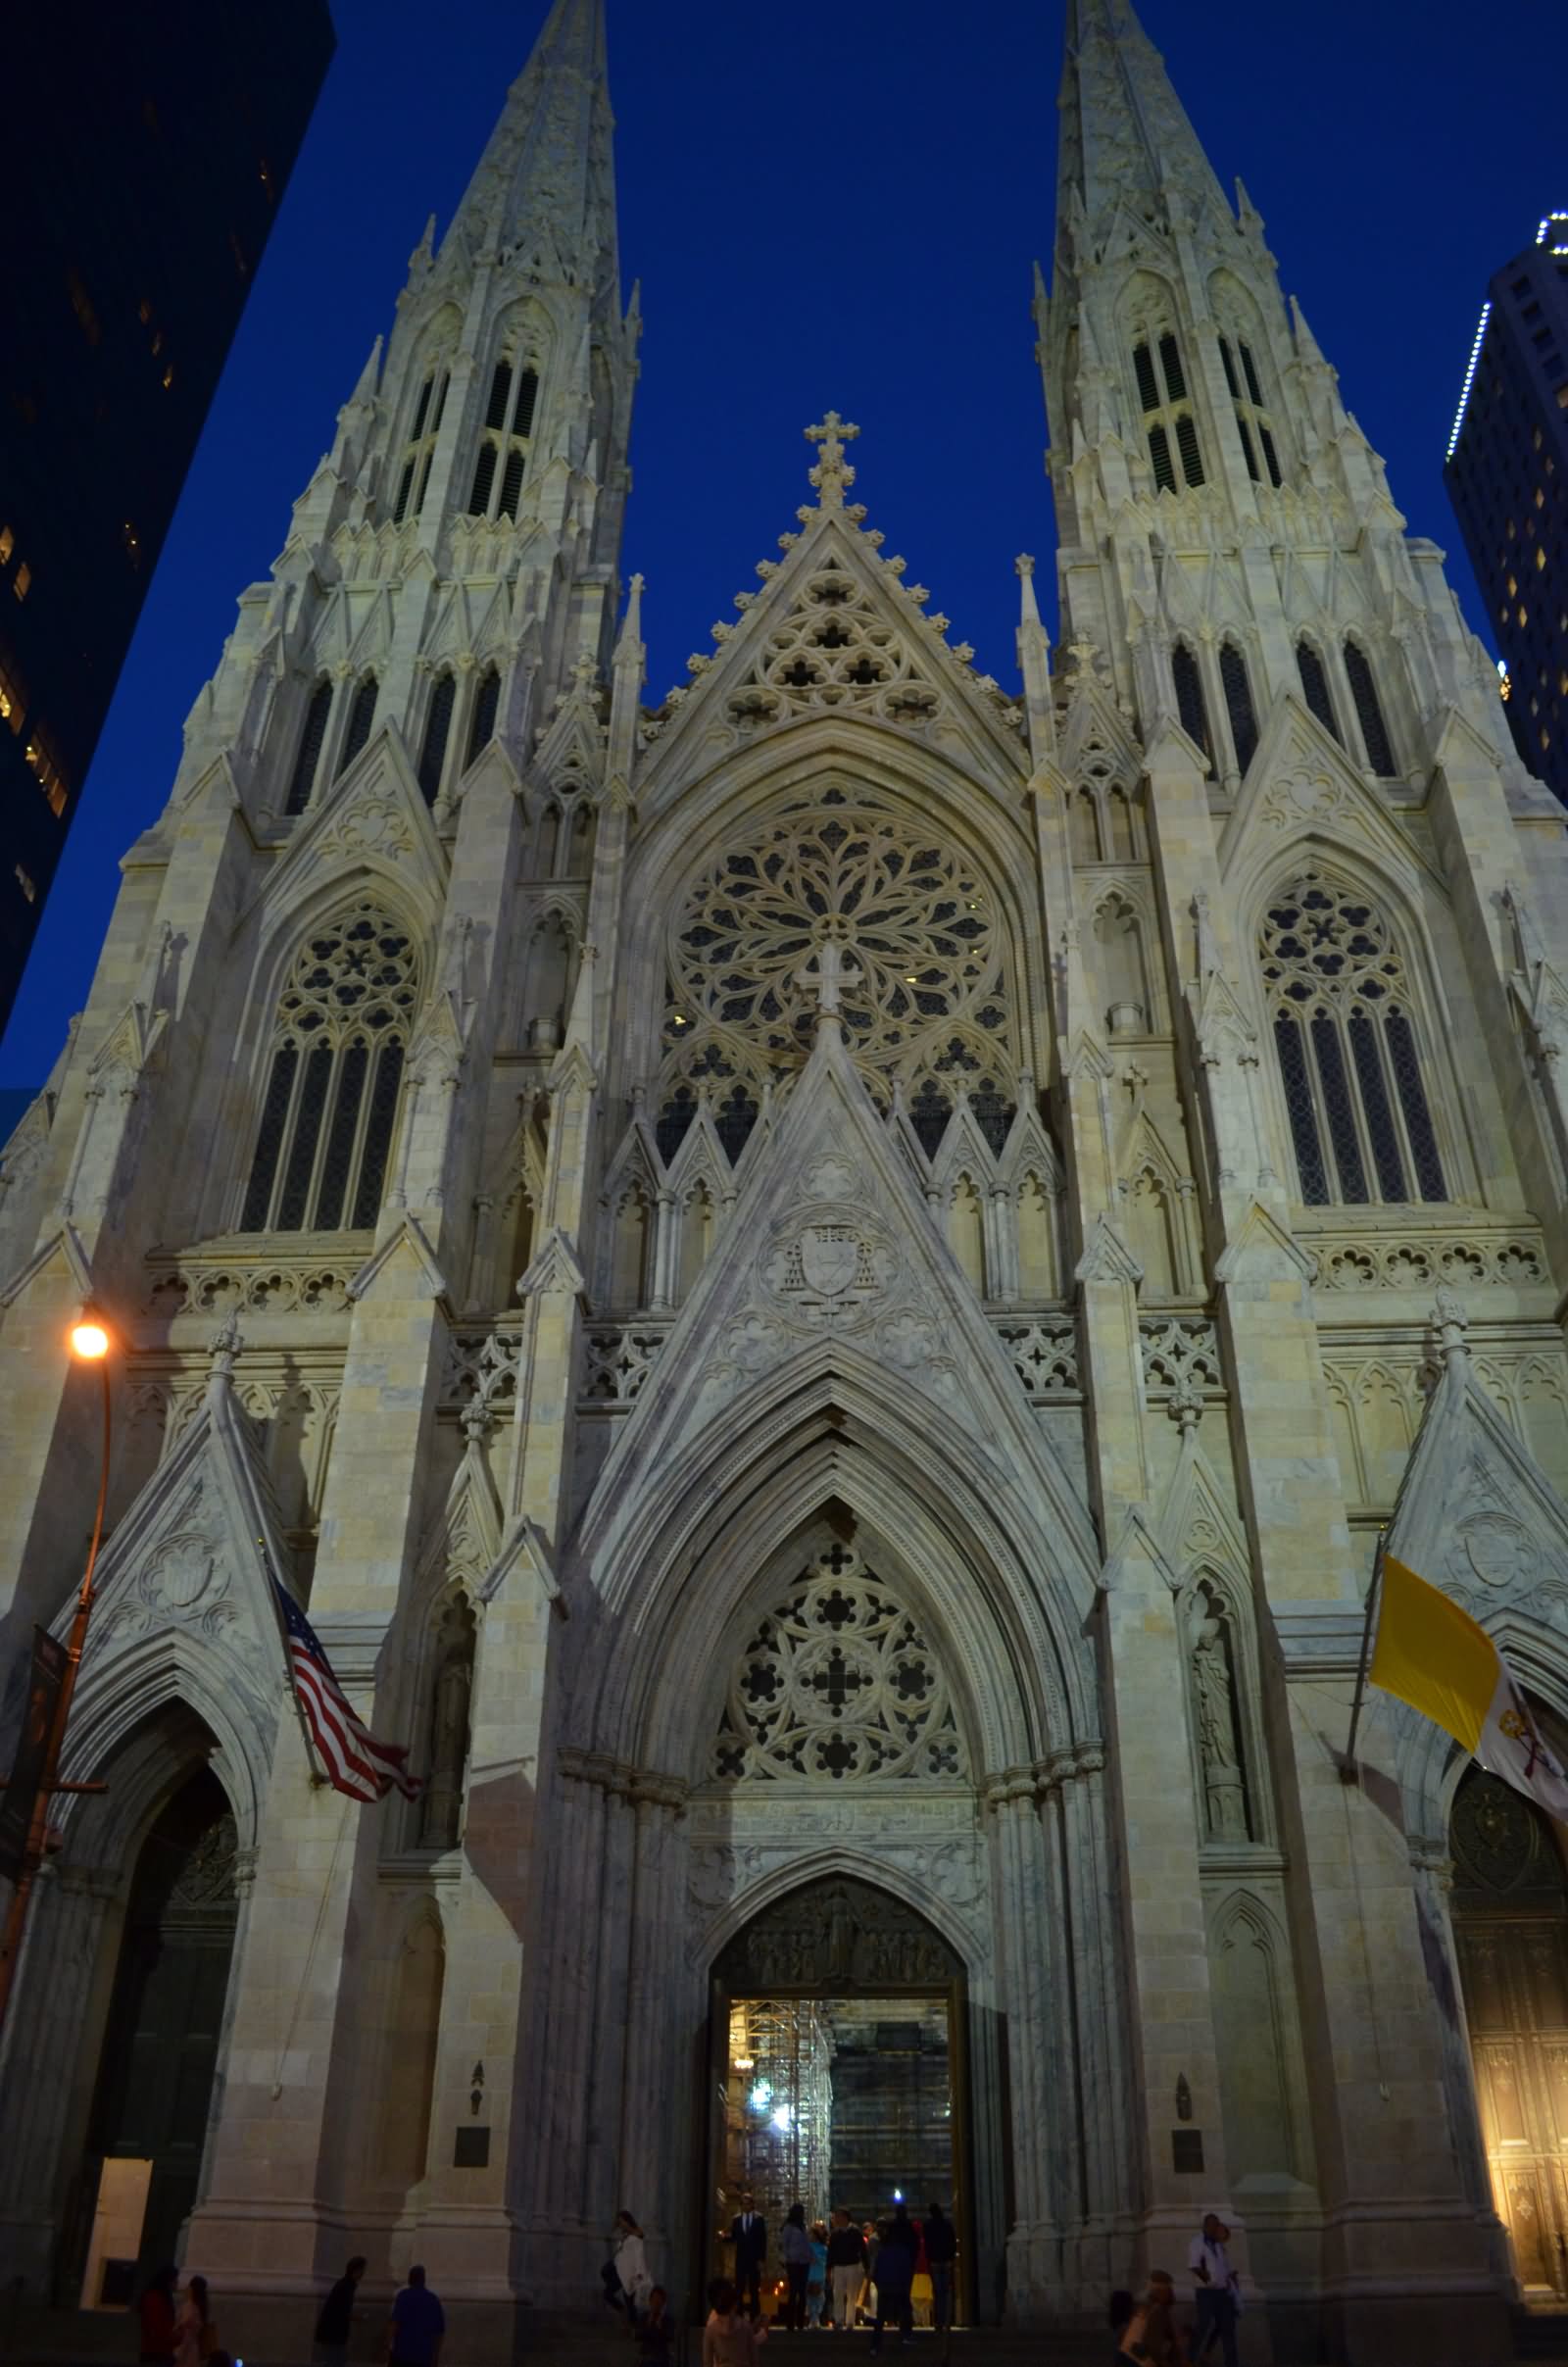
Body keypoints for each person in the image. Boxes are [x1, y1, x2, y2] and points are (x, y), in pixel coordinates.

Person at [1189, 2214, 1239, 2367]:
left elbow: (1223, 2267)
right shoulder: (1197, 2242)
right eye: (1212, 2225)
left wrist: (1230, 2278)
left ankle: (1232, 2363)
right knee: (1203, 2324)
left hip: (1223, 2293)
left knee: (1227, 2329)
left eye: (1216, 2225)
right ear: (1205, 2226)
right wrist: (1209, 2280)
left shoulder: (1219, 2246)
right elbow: (1194, 2265)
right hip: (1206, 2292)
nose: (1215, 2228)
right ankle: (1189, 2358)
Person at [869, 2205, 917, 2352]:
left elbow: (877, 2270)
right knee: (905, 2310)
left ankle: (876, 2344)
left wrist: (879, 2283)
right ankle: (906, 2336)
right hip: (900, 2285)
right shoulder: (904, 2251)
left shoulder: (883, 2252)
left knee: (881, 2315)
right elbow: (907, 2268)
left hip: (885, 2285)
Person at [1116, 2271, 1182, 2367]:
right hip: (1136, 2359)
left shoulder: (1148, 2307)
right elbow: (1152, 2345)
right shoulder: (1157, 2311)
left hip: (1128, 2356)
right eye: (1169, 2290)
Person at [386, 2263, 445, 2367]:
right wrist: (436, 2357)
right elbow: (439, 2332)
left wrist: (387, 2346)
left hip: (402, 2353)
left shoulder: (403, 2296)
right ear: (423, 2280)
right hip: (423, 2355)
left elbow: (394, 2324)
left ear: (409, 2279)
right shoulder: (433, 2300)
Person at [315, 2255, 367, 2367]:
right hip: (334, 2332)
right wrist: (359, 2318)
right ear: (356, 2270)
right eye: (362, 2270)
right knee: (337, 2361)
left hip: (332, 2331)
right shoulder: (346, 2286)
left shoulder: (345, 2284)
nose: (363, 2273)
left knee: (335, 2360)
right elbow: (343, 2311)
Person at [704, 2277, 762, 2366]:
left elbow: (707, 2363)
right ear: (735, 2304)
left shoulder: (711, 2331)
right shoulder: (746, 2327)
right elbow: (754, 2361)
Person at [612, 2211, 654, 2332]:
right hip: (626, 2272)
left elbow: (639, 2254)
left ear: (627, 2220)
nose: (621, 2224)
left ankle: (636, 2327)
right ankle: (634, 2327)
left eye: (622, 2221)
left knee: (632, 2302)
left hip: (633, 2273)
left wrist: (639, 2272)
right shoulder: (626, 2235)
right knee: (629, 2301)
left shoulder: (637, 2234)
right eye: (619, 2222)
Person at [728, 2193, 767, 2318]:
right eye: (743, 2204)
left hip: (755, 2259)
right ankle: (738, 2316)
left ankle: (754, 2317)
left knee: (754, 2289)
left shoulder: (759, 2219)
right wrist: (724, 2237)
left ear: (752, 2204)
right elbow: (734, 2237)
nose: (745, 2206)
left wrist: (761, 2259)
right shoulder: (736, 2219)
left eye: (748, 2203)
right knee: (739, 2288)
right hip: (741, 2259)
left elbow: (763, 2240)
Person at [826, 2210, 864, 2330]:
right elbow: (831, 2253)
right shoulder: (835, 2233)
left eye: (838, 2217)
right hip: (838, 2266)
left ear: (845, 2218)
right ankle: (839, 2320)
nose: (836, 2219)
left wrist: (866, 2266)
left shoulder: (855, 2231)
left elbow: (862, 2249)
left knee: (851, 2294)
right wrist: (829, 2268)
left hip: (852, 2265)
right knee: (838, 2293)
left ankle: (849, 2321)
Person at [922, 2202, 956, 2334]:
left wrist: (930, 2258)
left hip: (935, 2261)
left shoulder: (928, 2226)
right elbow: (952, 2242)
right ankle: (947, 2319)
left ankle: (939, 2321)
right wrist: (951, 2258)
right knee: (946, 2292)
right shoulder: (947, 2225)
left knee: (937, 2292)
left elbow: (927, 2245)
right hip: (946, 2260)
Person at [780, 2204, 812, 2330]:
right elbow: (784, 2244)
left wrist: (810, 2257)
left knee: (802, 2292)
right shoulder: (788, 2227)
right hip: (793, 2262)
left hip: (804, 2262)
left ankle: (800, 2322)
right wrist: (788, 2256)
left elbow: (806, 2244)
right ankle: (790, 2323)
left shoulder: (803, 2226)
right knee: (793, 2291)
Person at [138, 2267, 178, 2367]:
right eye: (175, 2280)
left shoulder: (157, 2297)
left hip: (159, 2350)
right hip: (157, 2352)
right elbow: (158, 2328)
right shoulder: (155, 2299)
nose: (177, 2283)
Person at [174, 2274, 215, 2367]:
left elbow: (185, 2334)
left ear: (191, 2289)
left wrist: (177, 2355)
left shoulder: (189, 2308)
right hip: (194, 2351)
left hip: (184, 2351)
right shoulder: (199, 2308)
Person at [638, 2285, 676, 2358]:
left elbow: (670, 2337)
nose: (656, 2303)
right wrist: (648, 2323)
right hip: (646, 2356)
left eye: (659, 2300)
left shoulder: (668, 2319)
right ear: (650, 2301)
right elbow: (638, 2335)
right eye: (654, 2299)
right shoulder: (644, 2316)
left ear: (663, 2303)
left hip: (661, 2357)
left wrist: (660, 2327)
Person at [808, 2223, 828, 2328]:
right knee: (810, 2297)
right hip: (809, 2275)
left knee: (819, 2297)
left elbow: (826, 2260)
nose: (809, 2236)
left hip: (819, 2275)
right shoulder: (807, 2247)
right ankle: (812, 2317)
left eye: (810, 2234)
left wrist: (818, 2260)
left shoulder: (823, 2248)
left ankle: (816, 2316)